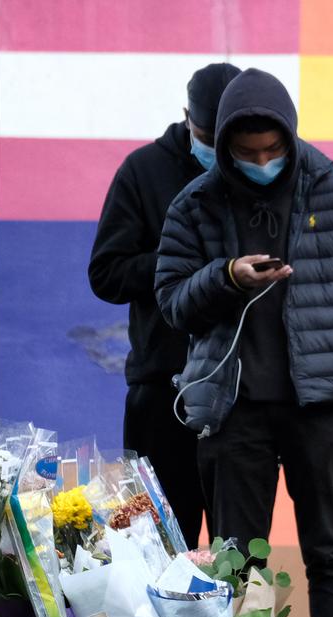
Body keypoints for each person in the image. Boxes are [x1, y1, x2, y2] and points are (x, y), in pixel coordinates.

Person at [155, 68, 333, 617]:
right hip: (234, 413)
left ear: (289, 137)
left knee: (327, 553)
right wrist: (226, 275)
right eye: (247, 153)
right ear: (225, 144)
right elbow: (172, 302)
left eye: (272, 150)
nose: (262, 163)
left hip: (320, 410)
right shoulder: (194, 206)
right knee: (238, 564)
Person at [88, 62, 241, 548]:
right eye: (206, 136)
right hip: (161, 388)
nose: (218, 151)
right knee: (151, 549)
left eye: (228, 139)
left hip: (242, 393)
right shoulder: (143, 171)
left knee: (238, 556)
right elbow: (106, 274)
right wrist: (180, 263)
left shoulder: (258, 170)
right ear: (185, 118)